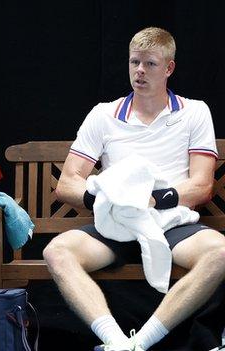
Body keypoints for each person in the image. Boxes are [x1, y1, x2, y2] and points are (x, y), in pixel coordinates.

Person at [43, 27, 225, 351]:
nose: (139, 71)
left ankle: (139, 344)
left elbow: (202, 185)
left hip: (170, 225)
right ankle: (115, 342)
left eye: (150, 64)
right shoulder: (103, 115)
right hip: (115, 224)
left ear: (169, 68)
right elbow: (68, 182)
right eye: (134, 62)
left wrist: (151, 200)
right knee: (57, 251)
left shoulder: (195, 112)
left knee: (221, 252)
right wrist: (112, 201)